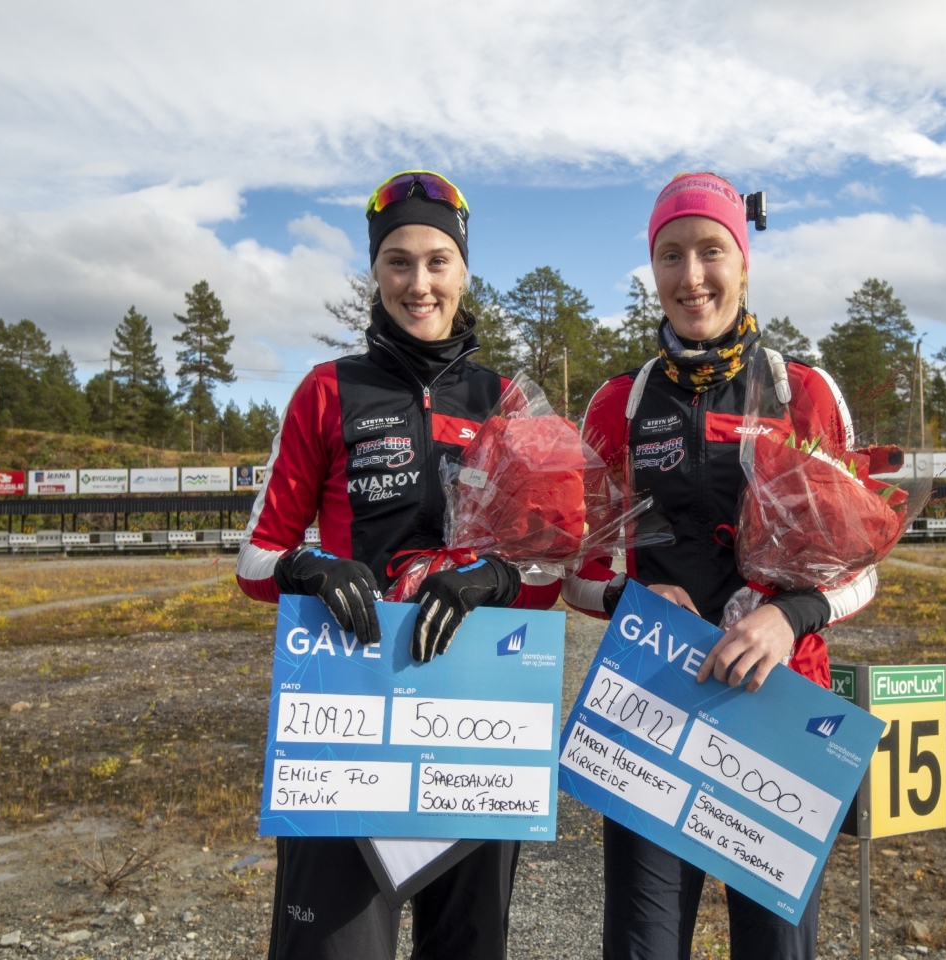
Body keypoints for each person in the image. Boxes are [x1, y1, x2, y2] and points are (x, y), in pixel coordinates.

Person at [234, 169, 563, 960]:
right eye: (399, 262)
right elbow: (256, 557)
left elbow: (551, 570)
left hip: (474, 712)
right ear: (376, 272)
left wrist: (500, 579)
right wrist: (308, 568)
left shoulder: (509, 401)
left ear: (464, 270)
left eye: (437, 261)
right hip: (348, 710)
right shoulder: (326, 390)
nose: (419, 284)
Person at [561, 172, 874, 960]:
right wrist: (631, 593)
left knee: (774, 946)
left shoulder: (803, 392)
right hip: (651, 700)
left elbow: (862, 572)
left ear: (743, 260)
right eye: (670, 256)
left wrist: (788, 614)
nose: (690, 276)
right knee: (644, 944)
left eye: (710, 251)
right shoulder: (617, 404)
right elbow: (571, 570)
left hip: (780, 704)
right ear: (652, 269)